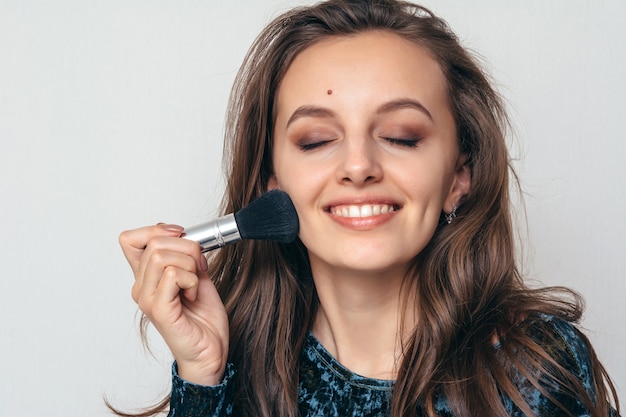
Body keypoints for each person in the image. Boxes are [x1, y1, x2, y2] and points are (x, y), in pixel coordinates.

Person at [116, 1, 620, 416]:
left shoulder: (536, 370)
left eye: (401, 136)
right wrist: (201, 378)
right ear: (273, 185)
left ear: (458, 177)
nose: (358, 166)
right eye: (315, 141)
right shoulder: (232, 372)